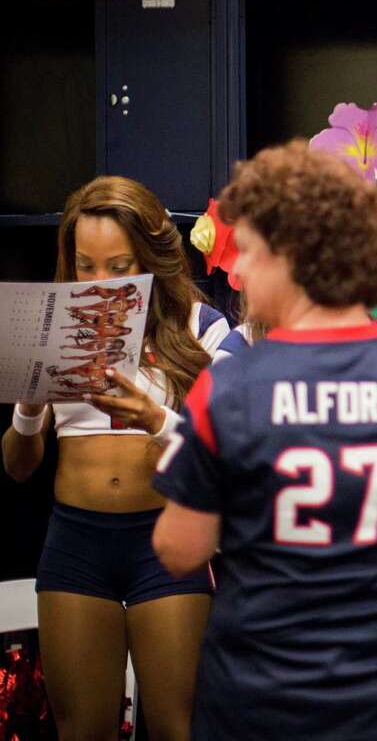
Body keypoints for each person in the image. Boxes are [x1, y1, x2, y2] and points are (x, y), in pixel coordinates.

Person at [151, 140, 377, 740]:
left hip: (259, 706)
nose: (238, 271)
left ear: (291, 257)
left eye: (251, 253)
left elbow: (179, 550)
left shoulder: (227, 386)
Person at [2, 175, 230, 740]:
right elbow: (18, 466)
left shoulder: (202, 329)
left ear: (151, 260)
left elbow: (224, 464)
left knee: (179, 728)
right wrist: (30, 406)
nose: (99, 282)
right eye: (85, 265)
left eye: (119, 266)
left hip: (166, 541)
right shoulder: (49, 325)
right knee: (82, 731)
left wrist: (155, 419)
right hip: (76, 543)